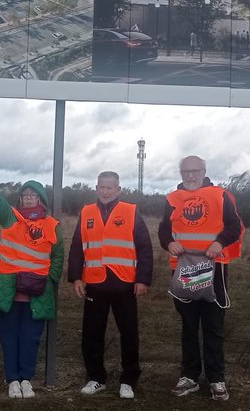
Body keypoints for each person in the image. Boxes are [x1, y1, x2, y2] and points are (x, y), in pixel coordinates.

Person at [0, 152, 64, 399]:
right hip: (9, 291)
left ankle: (26, 379)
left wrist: (50, 280)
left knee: (31, 338)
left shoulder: (52, 225)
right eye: (24, 195)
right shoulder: (11, 219)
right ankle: (12, 380)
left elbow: (58, 256)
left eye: (32, 195)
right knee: (9, 338)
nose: (27, 198)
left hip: (37, 293)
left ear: (40, 199)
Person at [159, 156, 245, 402]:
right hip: (183, 269)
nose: (190, 175)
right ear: (181, 173)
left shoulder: (220, 195)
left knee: (213, 326)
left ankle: (216, 378)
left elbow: (234, 226)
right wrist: (169, 243)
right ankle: (189, 376)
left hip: (214, 269)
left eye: (195, 171)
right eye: (186, 171)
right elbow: (164, 229)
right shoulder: (172, 198)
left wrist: (220, 242)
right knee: (188, 326)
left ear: (204, 171)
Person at [67, 171, 152, 399]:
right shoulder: (86, 212)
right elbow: (77, 247)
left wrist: (142, 279)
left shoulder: (131, 211)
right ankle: (96, 377)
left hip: (125, 283)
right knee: (92, 333)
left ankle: (129, 380)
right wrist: (76, 277)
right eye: (101, 187)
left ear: (118, 189)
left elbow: (144, 248)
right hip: (95, 283)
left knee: (129, 333)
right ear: (96, 188)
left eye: (109, 187)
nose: (105, 191)